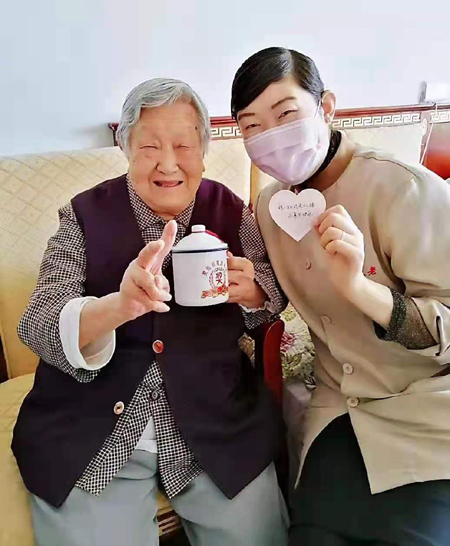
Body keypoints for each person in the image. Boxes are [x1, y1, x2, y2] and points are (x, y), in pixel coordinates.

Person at [12, 78, 289, 546]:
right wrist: (117, 308)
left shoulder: (232, 211)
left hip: (216, 422)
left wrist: (255, 293)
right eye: (149, 148)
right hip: (95, 429)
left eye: (183, 146)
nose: (168, 164)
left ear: (203, 151)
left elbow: (271, 298)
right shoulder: (83, 216)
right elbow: (39, 322)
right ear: (124, 148)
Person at [231, 47, 450, 546]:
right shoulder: (269, 207)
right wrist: (253, 293)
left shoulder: (406, 189)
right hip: (340, 408)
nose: (271, 137)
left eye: (286, 114)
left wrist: (360, 289)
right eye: (252, 126)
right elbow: (278, 293)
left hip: (429, 408)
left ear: (326, 107)